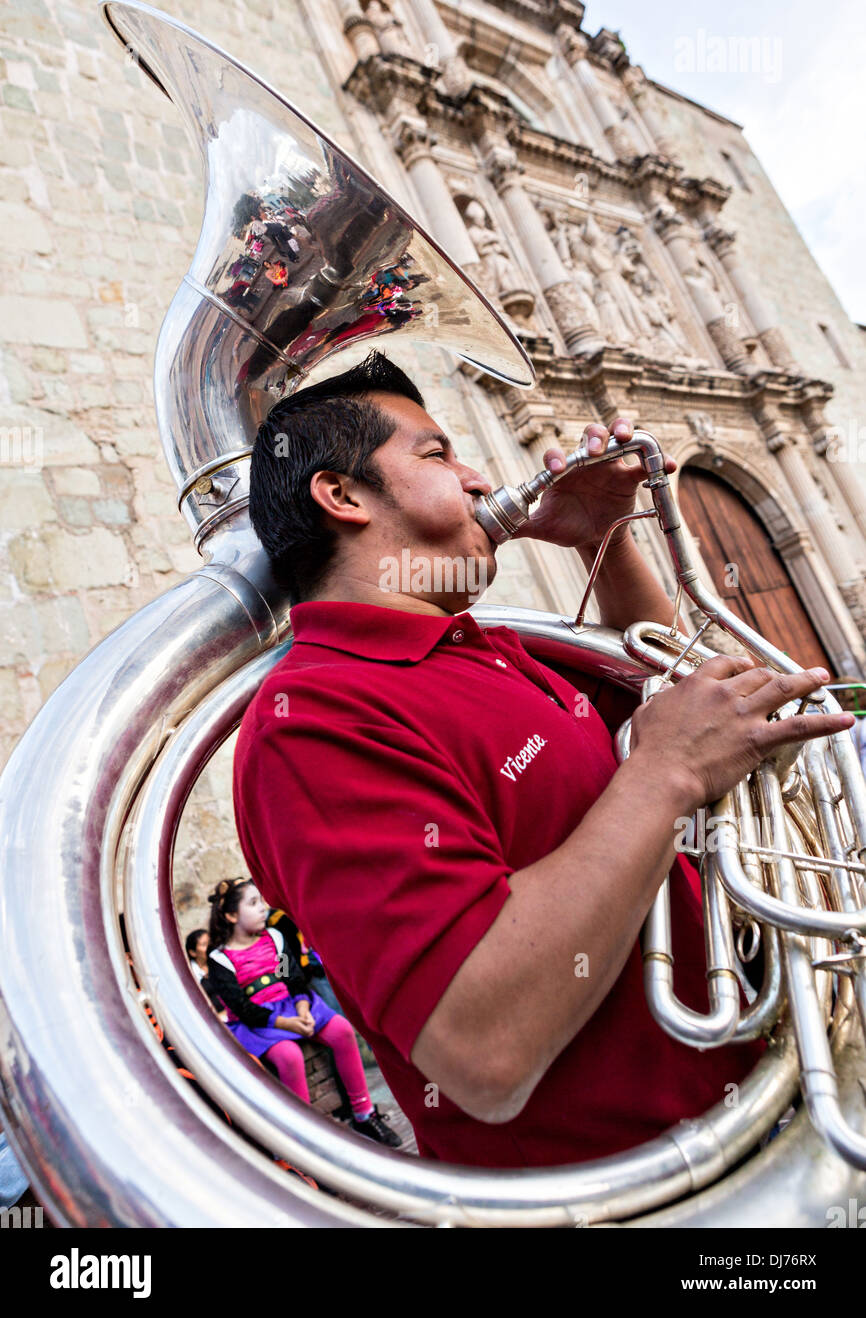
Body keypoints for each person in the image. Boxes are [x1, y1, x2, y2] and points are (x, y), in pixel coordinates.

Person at [232, 349, 855, 1169]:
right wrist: (666, 774)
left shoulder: (488, 648)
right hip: (632, 1191)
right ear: (342, 495)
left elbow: (682, 698)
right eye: (436, 454)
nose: (480, 477)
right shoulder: (309, 721)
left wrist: (607, 542)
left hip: (761, 1116)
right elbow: (482, 1048)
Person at [206, 877, 401, 1147]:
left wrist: (302, 1007)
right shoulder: (220, 959)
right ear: (230, 915)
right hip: (260, 1021)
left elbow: (292, 978)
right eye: (253, 903)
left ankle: (363, 1113)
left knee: (342, 1030)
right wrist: (287, 1024)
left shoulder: (274, 938)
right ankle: (309, 1139)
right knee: (289, 1057)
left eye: (261, 901)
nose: (263, 908)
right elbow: (240, 1005)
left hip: (291, 1007)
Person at [185, 928, 228, 1020]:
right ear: (193, 952)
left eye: (210, 942)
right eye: (204, 945)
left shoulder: (220, 959)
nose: (210, 946)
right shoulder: (191, 975)